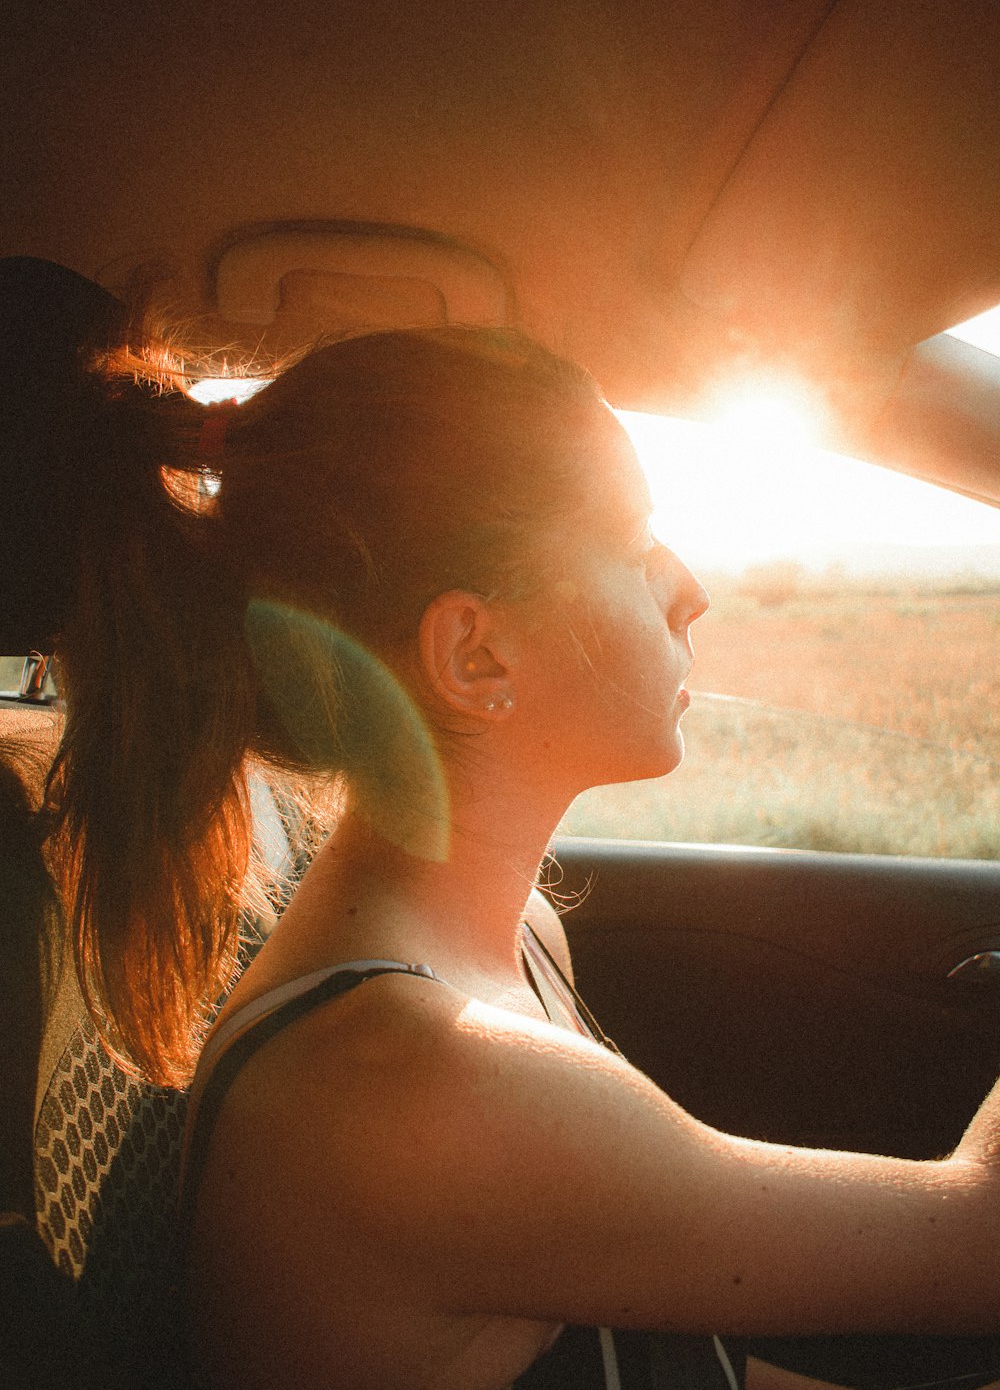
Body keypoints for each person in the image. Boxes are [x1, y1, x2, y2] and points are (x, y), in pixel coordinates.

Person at [10, 258, 1000, 1390]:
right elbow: (980, 1245)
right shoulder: (421, 1091)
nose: (690, 589)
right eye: (631, 546)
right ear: (475, 655)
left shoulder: (496, 932)